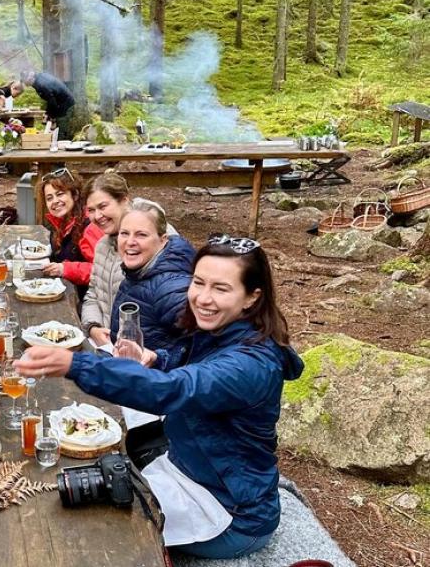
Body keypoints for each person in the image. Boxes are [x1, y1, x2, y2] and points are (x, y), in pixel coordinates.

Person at [15, 236, 303, 559]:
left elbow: (175, 390)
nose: (203, 298)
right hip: (187, 468)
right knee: (78, 492)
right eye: (198, 282)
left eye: (221, 289)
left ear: (252, 297)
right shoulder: (225, 330)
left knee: (106, 538)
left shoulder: (252, 365)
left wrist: (76, 364)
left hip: (228, 511)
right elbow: (192, 364)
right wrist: (156, 359)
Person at [80, 171, 178, 347]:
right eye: (91, 210)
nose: (97, 216)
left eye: (103, 206)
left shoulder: (156, 243)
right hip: (104, 343)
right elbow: (93, 294)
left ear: (124, 200)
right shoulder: (103, 245)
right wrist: (93, 327)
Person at [110, 200, 195, 351]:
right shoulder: (139, 272)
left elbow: (208, 341)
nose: (130, 242)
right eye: (124, 233)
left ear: (163, 240)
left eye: (141, 235)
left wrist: (164, 364)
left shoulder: (168, 287)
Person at [38, 167, 103, 304]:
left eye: (60, 194)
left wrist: (65, 269)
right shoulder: (62, 223)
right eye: (49, 198)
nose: (55, 201)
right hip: (67, 294)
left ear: (75, 195)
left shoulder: (89, 227)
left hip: (88, 303)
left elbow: (101, 272)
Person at [19, 70, 75, 139]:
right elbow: (50, 99)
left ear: (29, 78)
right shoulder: (38, 79)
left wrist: (50, 116)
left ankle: (62, 143)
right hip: (60, 104)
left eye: (24, 80)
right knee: (57, 128)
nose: (24, 83)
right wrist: (48, 113)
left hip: (66, 104)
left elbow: (52, 101)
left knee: (61, 131)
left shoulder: (40, 84)